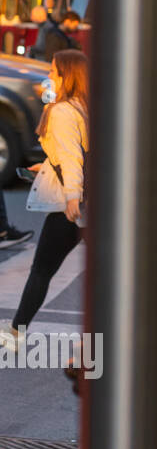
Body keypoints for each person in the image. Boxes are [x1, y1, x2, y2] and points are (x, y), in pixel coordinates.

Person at [1, 50, 88, 348]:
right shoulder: (83, 107)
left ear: (67, 76)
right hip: (87, 202)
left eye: (53, 72)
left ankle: (15, 333)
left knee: (41, 270)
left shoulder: (63, 111)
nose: (49, 77)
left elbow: (72, 159)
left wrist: (73, 197)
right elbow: (71, 154)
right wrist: (44, 166)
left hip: (73, 206)